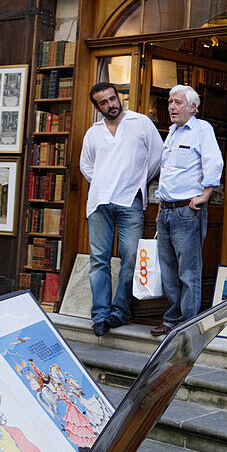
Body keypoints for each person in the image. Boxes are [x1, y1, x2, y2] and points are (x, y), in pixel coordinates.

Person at [80, 82, 162, 337]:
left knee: (129, 259)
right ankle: (100, 315)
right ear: (97, 107)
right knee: (99, 260)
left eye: (113, 99)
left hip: (131, 202)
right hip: (99, 203)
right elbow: (86, 166)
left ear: (119, 98)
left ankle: (120, 310)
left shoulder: (140, 123)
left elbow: (158, 157)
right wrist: (104, 182)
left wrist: (136, 181)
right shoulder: (93, 132)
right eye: (103, 102)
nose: (110, 105)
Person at [151, 84, 224, 336]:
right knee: (168, 268)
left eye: (178, 102)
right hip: (167, 210)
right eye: (170, 101)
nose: (172, 106)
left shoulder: (202, 129)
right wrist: (161, 204)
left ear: (193, 107)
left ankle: (187, 323)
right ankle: (172, 319)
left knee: (188, 270)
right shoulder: (171, 132)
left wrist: (205, 195)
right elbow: (167, 172)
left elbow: (214, 162)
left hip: (186, 211)